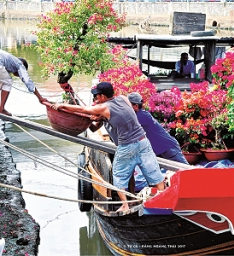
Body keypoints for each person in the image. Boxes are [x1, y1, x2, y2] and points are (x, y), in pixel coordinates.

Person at [52, 82, 165, 213]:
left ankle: (125, 205)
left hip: (127, 146)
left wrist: (62, 105)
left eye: (97, 97)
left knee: (118, 175)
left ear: (103, 96)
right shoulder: (123, 98)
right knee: (153, 171)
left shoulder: (104, 107)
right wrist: (100, 118)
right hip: (143, 141)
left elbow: (82, 110)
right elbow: (120, 116)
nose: (96, 100)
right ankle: (162, 198)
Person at [128, 92, 188, 165]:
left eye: (128, 105)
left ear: (136, 106)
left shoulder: (140, 116)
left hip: (169, 149)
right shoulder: (141, 114)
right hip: (162, 150)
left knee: (187, 172)